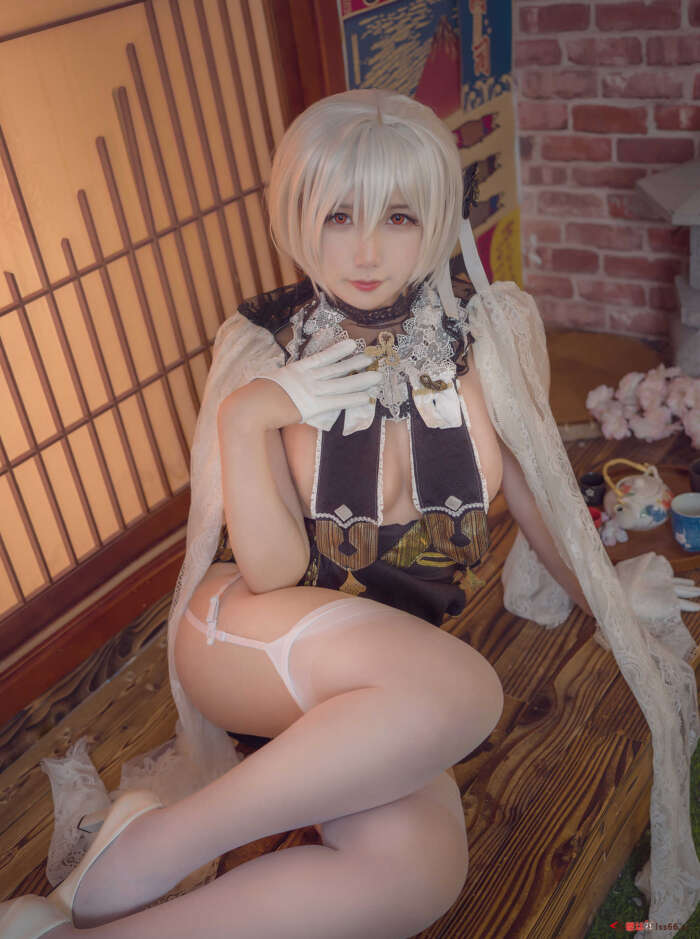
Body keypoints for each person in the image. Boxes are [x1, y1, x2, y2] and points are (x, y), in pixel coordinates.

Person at [2, 88, 699, 939]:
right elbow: (271, 572)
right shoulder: (267, 341)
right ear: (298, 214)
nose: (366, 250)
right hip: (251, 634)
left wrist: (610, 603)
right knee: (467, 689)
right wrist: (250, 415)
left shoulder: (492, 331)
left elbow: (539, 495)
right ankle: (147, 852)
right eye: (338, 215)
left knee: (416, 877)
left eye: (398, 216)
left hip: (382, 689)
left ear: (435, 216)